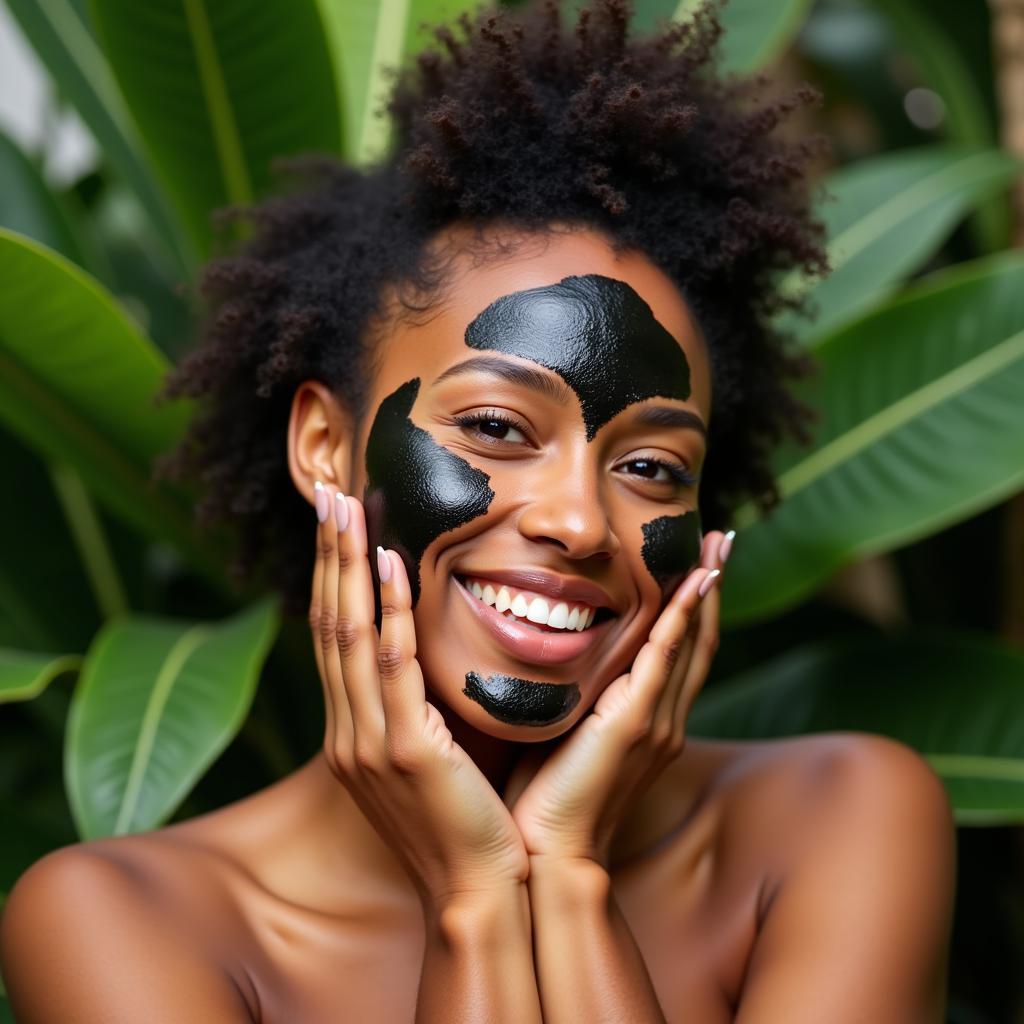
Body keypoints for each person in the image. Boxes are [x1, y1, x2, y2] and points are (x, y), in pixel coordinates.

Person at [0, 1, 956, 1020]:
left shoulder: (837, 823)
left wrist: (569, 876)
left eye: (649, 466)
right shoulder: (131, 921)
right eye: (498, 428)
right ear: (327, 446)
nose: (581, 523)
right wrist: (475, 895)